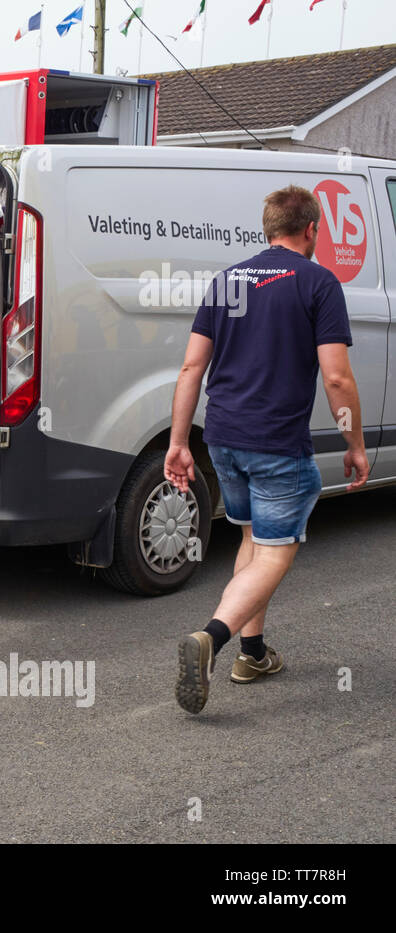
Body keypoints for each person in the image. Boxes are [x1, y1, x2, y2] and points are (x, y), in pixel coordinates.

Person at [167, 185, 368, 715]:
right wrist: (355, 443)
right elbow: (337, 378)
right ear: (311, 231)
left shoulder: (226, 280)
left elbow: (191, 368)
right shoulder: (319, 283)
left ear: (267, 227)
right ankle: (213, 636)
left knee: (255, 539)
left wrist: (179, 442)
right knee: (276, 553)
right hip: (277, 444)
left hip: (225, 440)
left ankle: (251, 655)